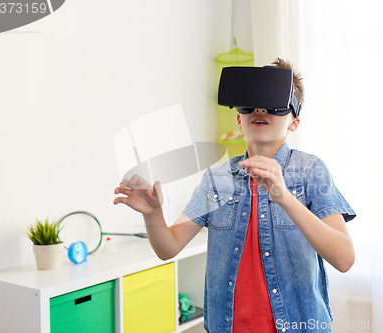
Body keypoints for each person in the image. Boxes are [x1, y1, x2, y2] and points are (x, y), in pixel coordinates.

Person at [114, 58, 356, 333]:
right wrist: (154, 215)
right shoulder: (216, 180)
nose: (260, 109)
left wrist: (285, 198)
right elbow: (168, 247)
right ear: (239, 119)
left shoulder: (311, 172)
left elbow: (344, 258)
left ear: (294, 122)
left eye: (274, 103)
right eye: (249, 103)